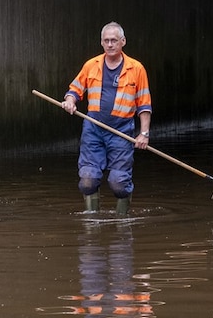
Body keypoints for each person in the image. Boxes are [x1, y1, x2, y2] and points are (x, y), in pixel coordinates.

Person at [62, 22, 152, 214]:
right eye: (106, 41)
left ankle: (122, 222)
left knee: (118, 182)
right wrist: (70, 100)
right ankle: (92, 223)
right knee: (88, 179)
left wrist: (144, 133)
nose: (110, 44)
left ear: (123, 42)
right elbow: (75, 89)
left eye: (114, 40)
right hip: (93, 128)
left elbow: (144, 105)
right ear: (101, 43)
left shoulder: (136, 69)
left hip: (121, 131)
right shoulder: (91, 65)